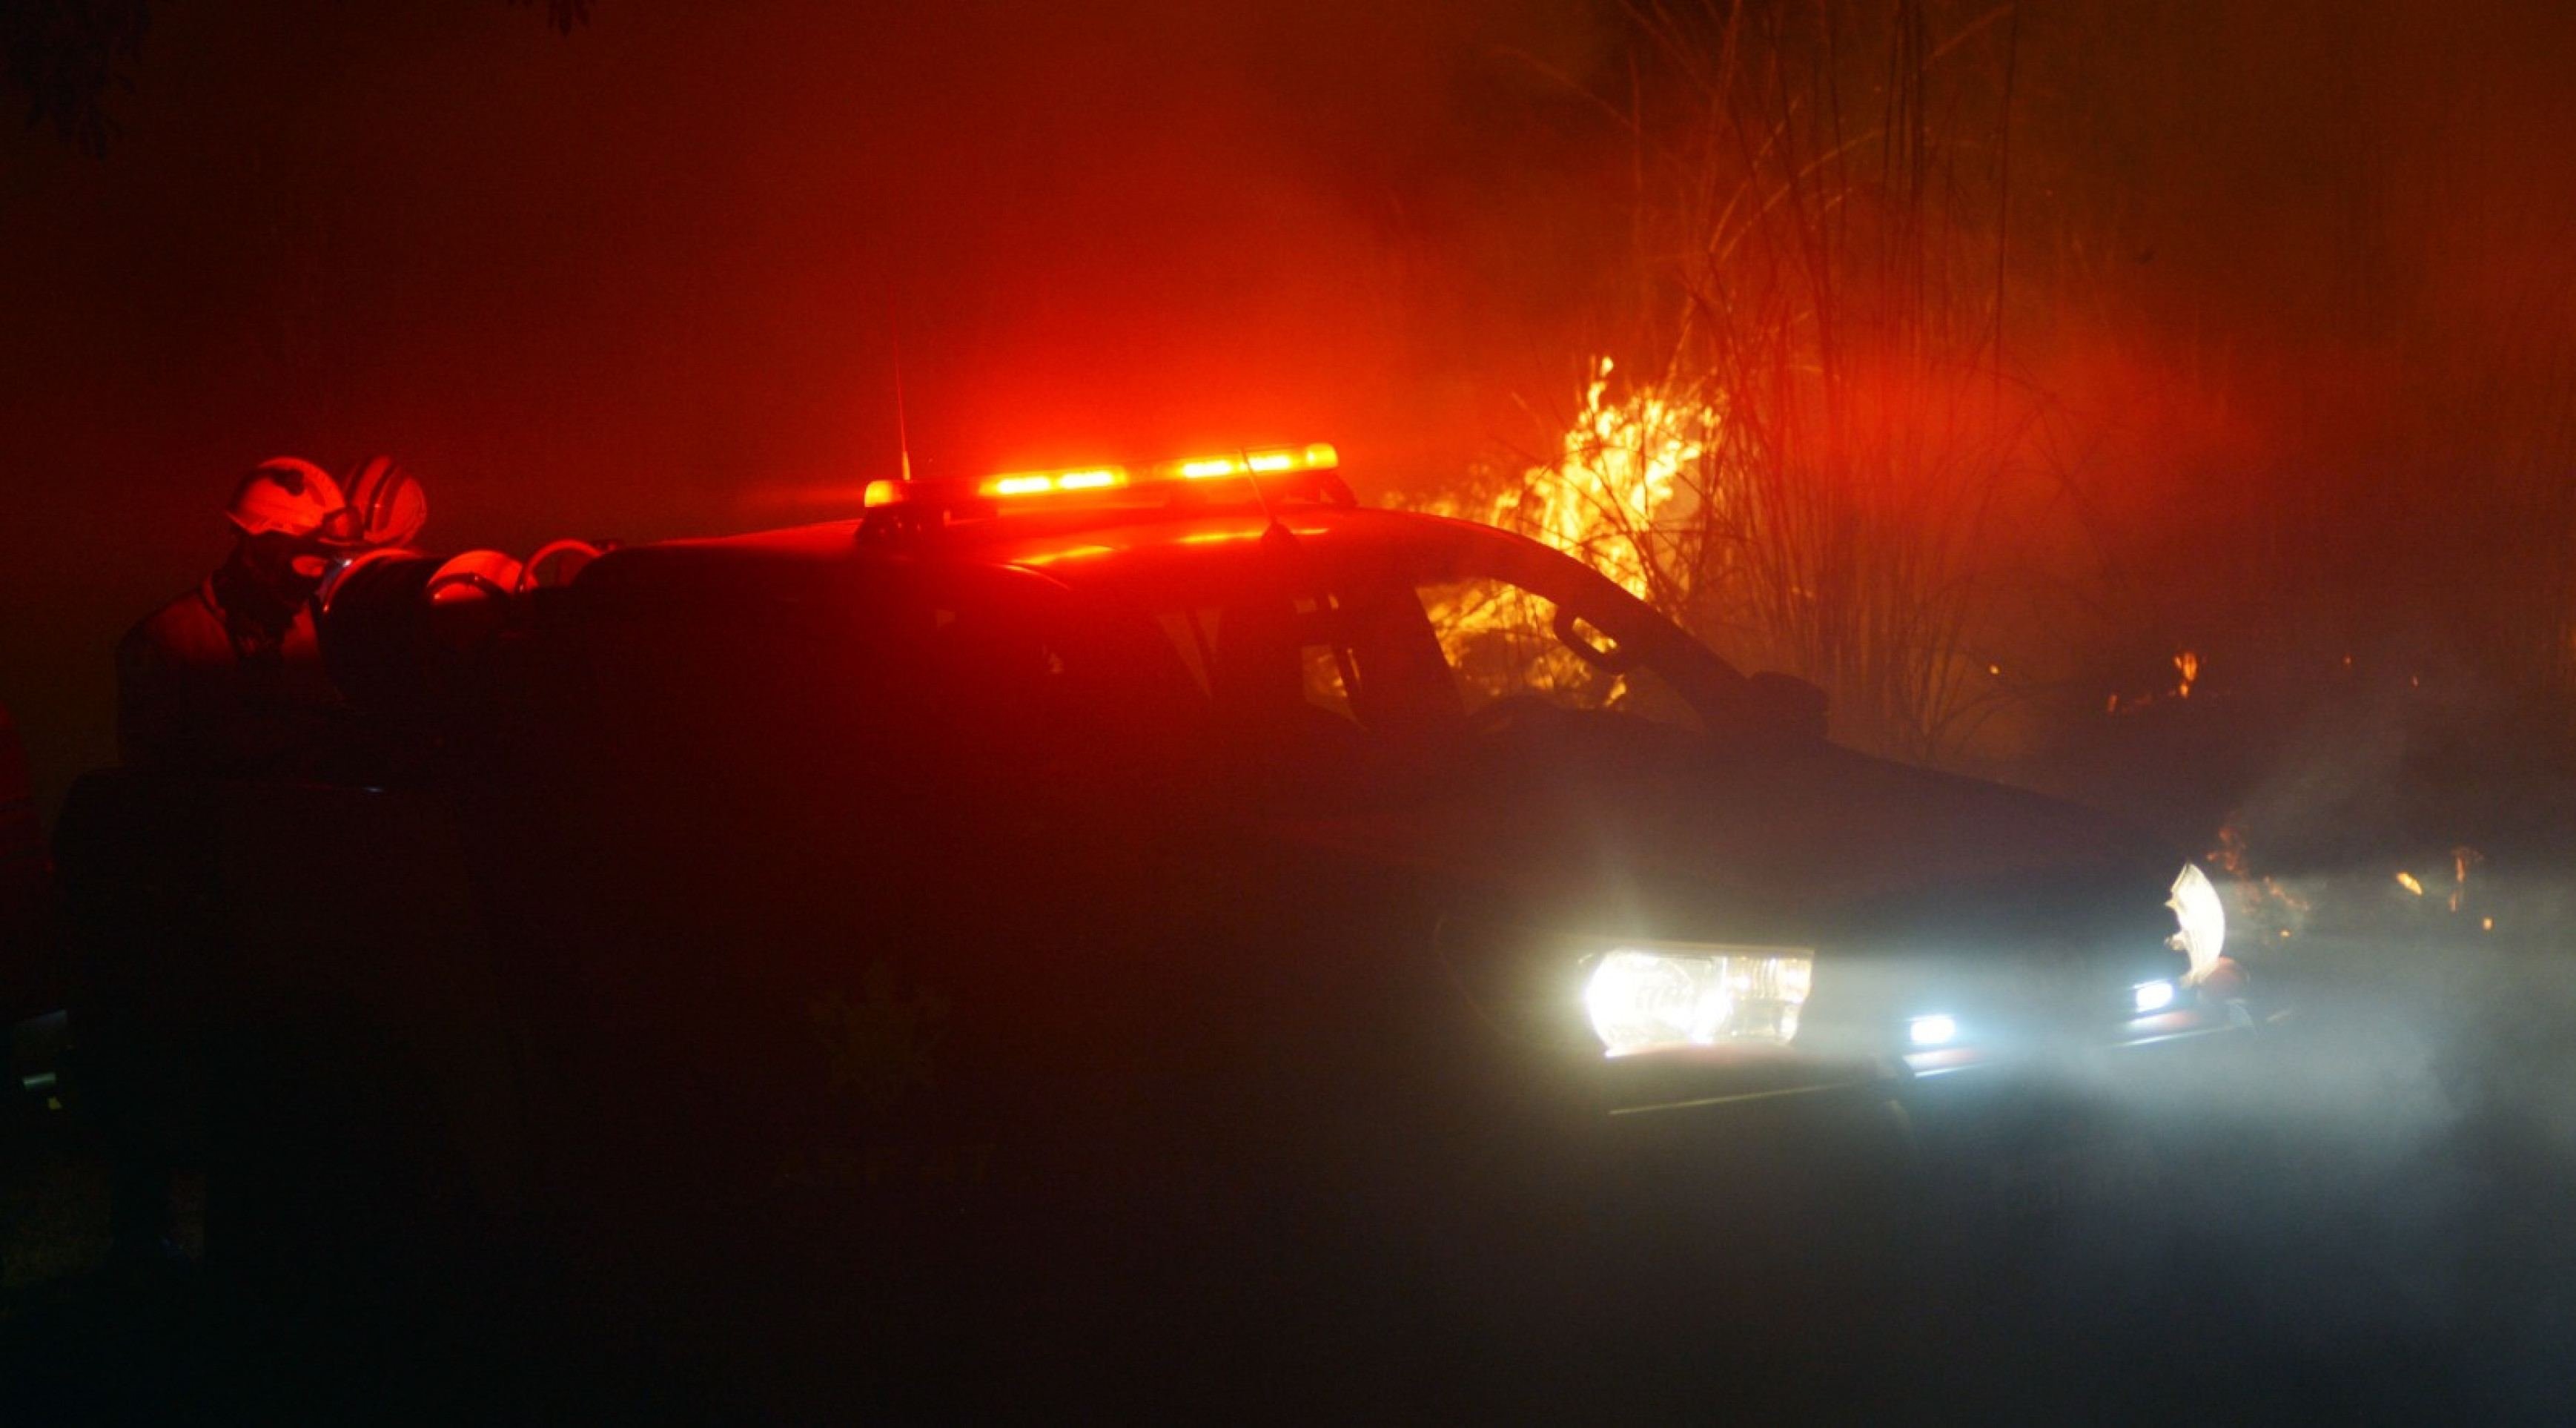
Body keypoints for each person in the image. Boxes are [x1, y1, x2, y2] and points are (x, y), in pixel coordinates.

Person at [115, 457, 355, 778]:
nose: (315, 576)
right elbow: (153, 776)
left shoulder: (322, 626)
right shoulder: (167, 641)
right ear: (257, 550)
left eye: (324, 562)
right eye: (307, 560)